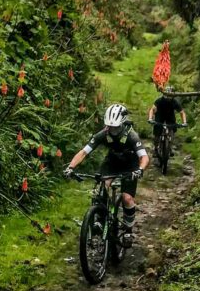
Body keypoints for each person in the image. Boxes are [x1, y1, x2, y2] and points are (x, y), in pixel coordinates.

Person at [63, 103, 149, 248]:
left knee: (126, 198)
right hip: (112, 162)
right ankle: (99, 218)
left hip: (130, 165)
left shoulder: (132, 136)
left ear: (121, 124)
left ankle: (128, 229)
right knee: (101, 188)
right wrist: (70, 167)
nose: (111, 130)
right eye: (109, 126)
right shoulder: (103, 134)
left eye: (115, 127)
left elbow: (144, 157)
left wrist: (140, 170)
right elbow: (84, 152)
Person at [148, 86, 187, 159]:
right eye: (167, 95)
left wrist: (184, 122)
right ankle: (156, 148)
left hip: (170, 117)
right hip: (160, 115)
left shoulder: (174, 102)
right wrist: (150, 118)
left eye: (170, 96)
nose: (168, 97)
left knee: (172, 129)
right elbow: (152, 109)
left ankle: (170, 147)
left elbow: (182, 112)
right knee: (157, 132)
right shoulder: (159, 100)